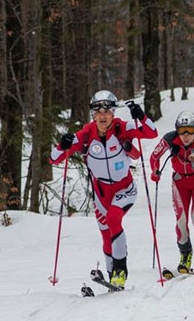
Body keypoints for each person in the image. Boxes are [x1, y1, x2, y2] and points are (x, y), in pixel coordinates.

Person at [49, 91, 158, 289]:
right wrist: (62, 144)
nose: (103, 116)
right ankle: (111, 277)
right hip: (101, 193)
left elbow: (151, 132)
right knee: (106, 234)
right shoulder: (86, 134)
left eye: (107, 111)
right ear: (93, 114)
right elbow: (54, 158)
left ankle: (120, 272)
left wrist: (140, 115)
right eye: (98, 112)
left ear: (113, 113)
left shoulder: (122, 128)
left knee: (114, 218)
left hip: (124, 188)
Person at [149, 111, 194, 274]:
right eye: (181, 130)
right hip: (179, 182)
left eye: (189, 130)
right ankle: (185, 256)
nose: (186, 135)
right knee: (181, 220)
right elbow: (154, 156)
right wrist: (155, 171)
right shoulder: (170, 139)